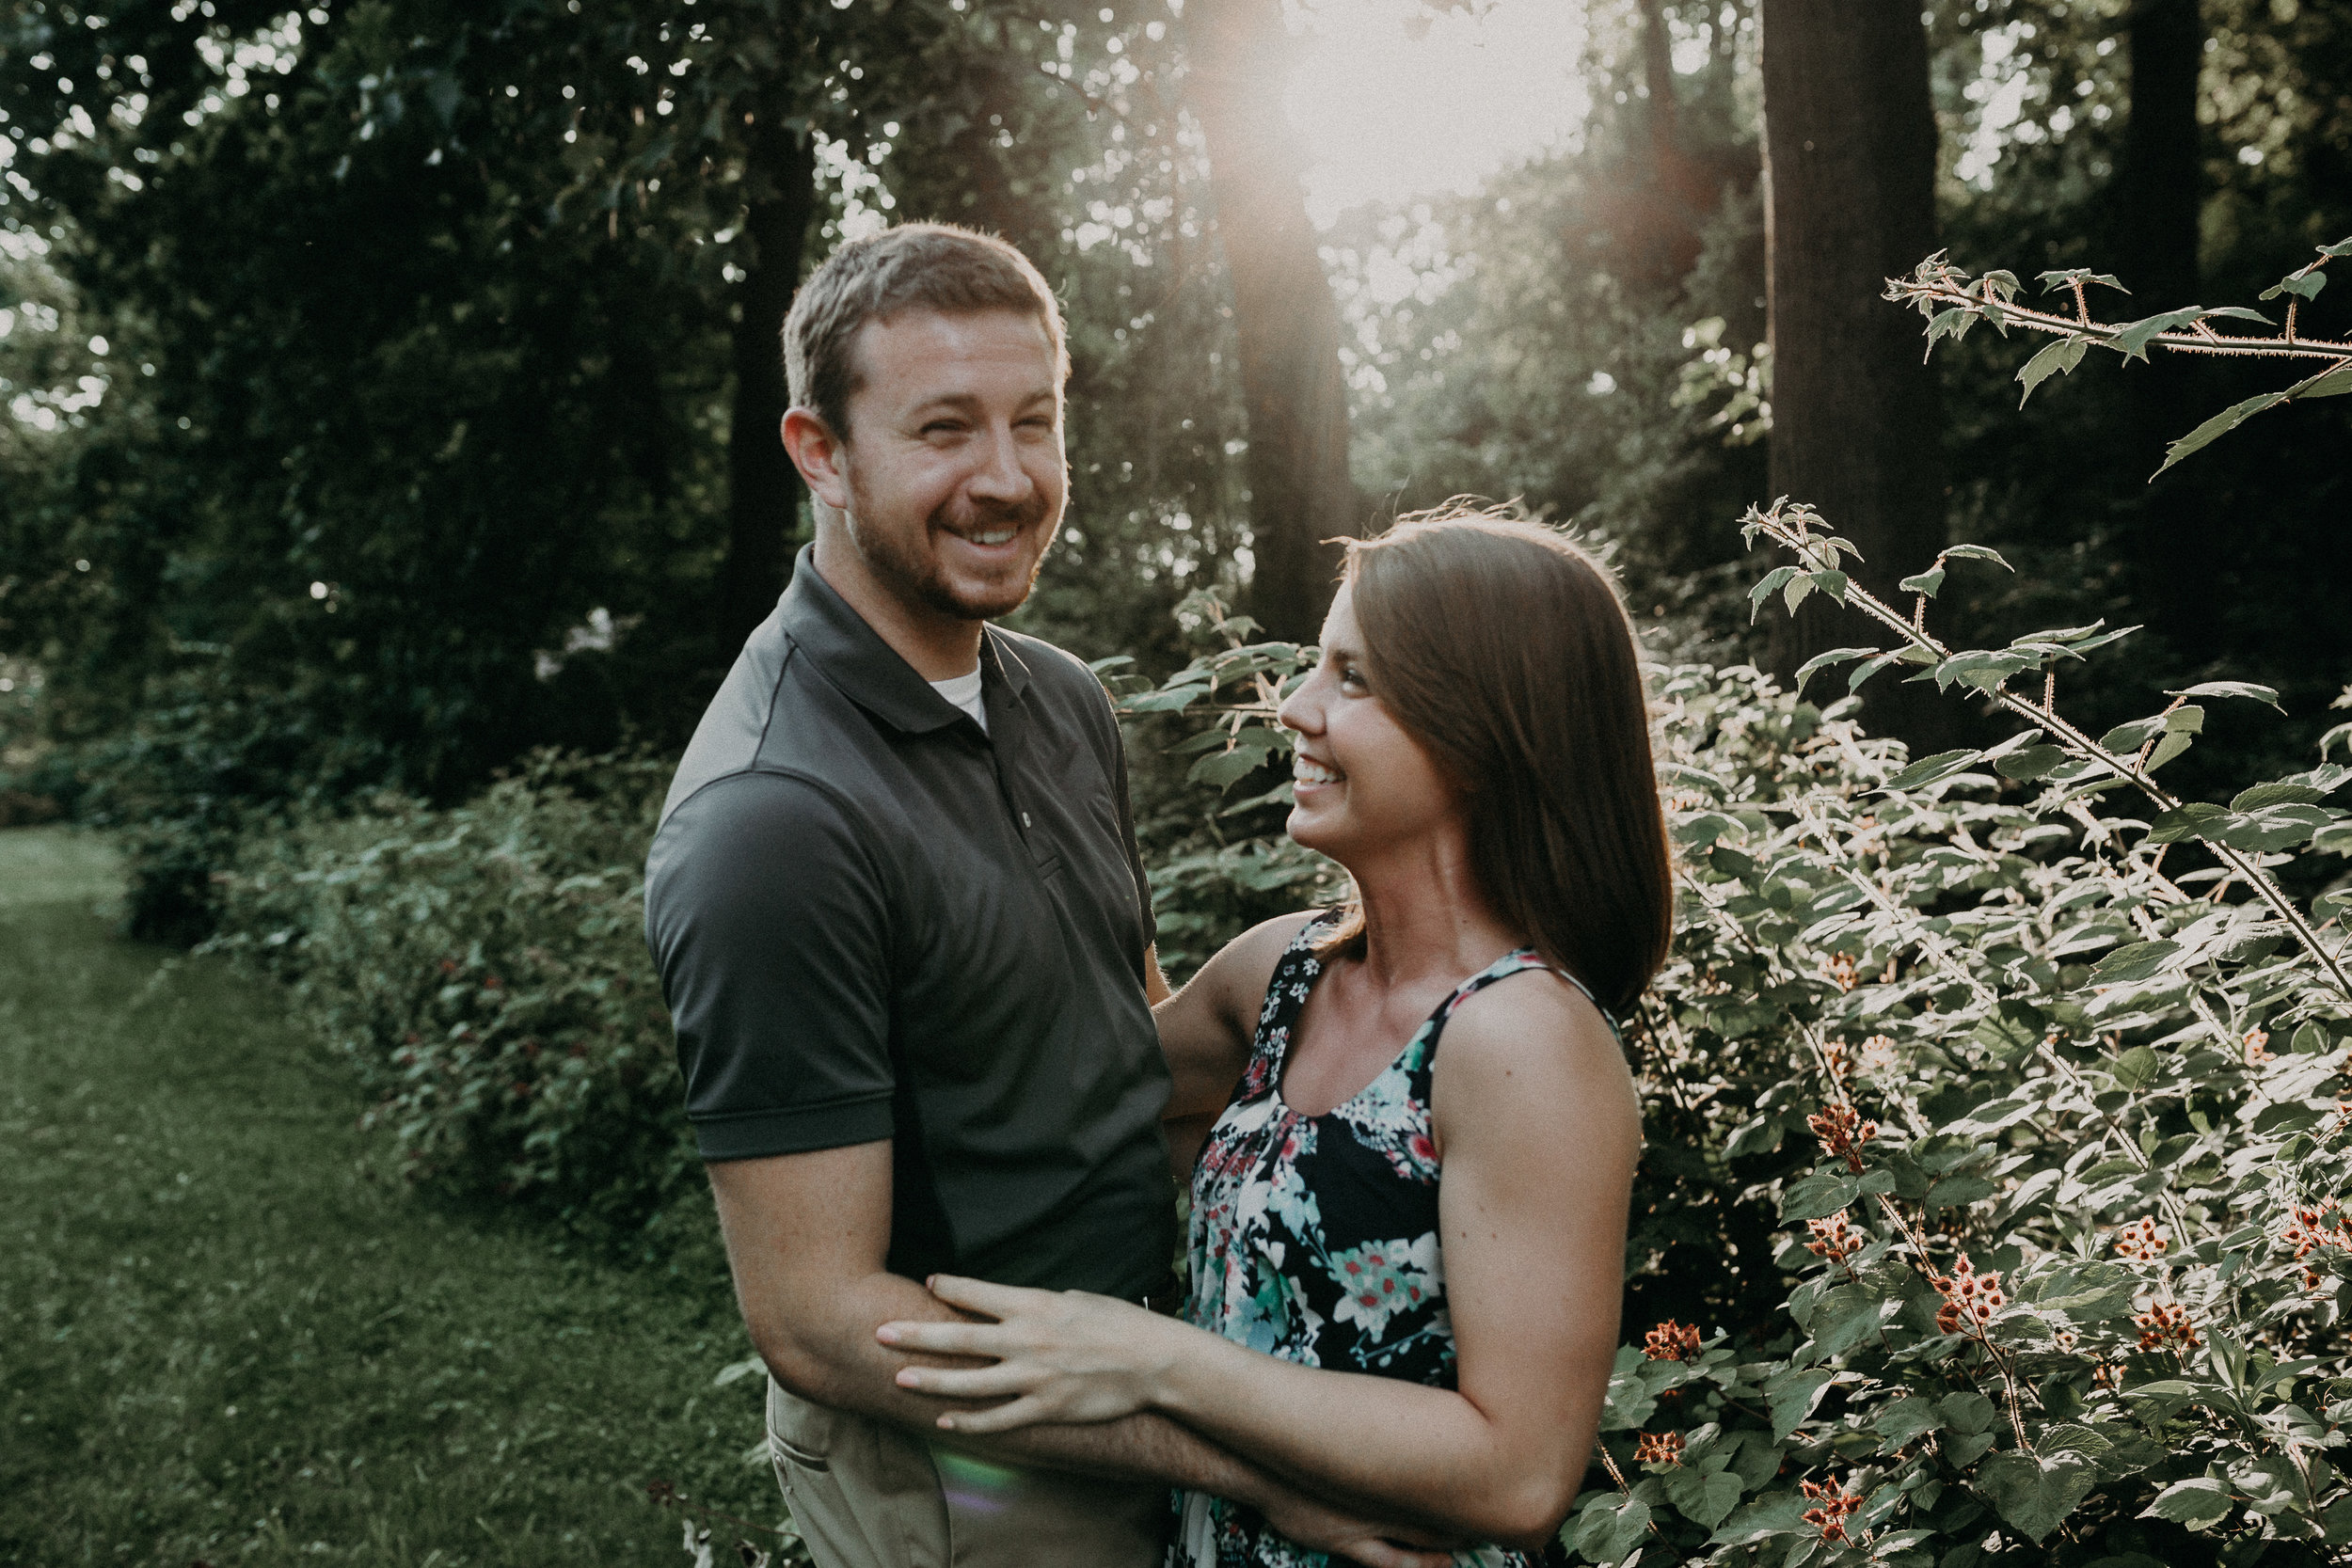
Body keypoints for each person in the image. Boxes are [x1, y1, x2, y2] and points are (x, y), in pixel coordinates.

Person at [644, 223, 1456, 1568]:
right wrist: (1247, 1460)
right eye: (945, 429)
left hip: (1152, 1371)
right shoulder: (771, 821)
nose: (1007, 478)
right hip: (971, 1472)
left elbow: (1129, 1051)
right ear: (820, 453)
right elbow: (819, 1316)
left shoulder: (1057, 697)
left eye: (1037, 421)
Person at [875, 510, 1674, 1567]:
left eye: (1353, 678)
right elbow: (1050, 1105)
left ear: (1481, 732)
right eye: (1314, 666)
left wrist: (1155, 1359)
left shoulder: (1523, 1042)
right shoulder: (1281, 975)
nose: (1294, 707)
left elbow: (1517, 1470)